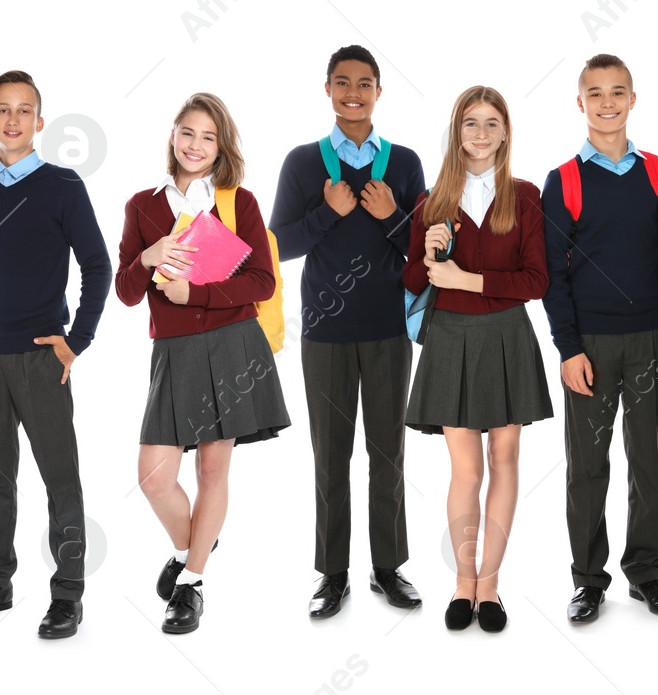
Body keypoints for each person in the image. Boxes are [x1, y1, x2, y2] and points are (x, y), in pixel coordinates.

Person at [0, 70, 111, 639]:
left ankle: (67, 594)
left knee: (60, 477)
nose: (12, 120)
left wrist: (76, 341)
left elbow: (97, 266)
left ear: (40, 123)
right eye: (2, 110)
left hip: (41, 357)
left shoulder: (62, 186)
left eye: (24, 111)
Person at [116, 92, 290, 634]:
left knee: (213, 468)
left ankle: (191, 584)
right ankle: (191, 545)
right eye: (187, 133)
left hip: (234, 343)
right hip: (174, 352)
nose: (196, 145)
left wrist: (199, 295)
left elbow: (262, 281)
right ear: (173, 136)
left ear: (222, 146)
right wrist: (148, 258)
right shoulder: (142, 205)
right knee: (152, 477)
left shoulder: (239, 202)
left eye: (208, 137)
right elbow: (125, 291)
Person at [270, 45, 427, 618]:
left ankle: (388, 569)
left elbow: (428, 251)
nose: (353, 92)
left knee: (388, 453)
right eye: (342, 82)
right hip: (325, 332)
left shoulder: (405, 163)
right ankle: (332, 575)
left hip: (388, 329)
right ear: (328, 90)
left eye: (364, 83)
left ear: (379, 92)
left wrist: (393, 217)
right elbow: (277, 246)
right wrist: (328, 213)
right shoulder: (303, 163)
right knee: (329, 456)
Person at [541, 54, 658, 623]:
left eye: (617, 92)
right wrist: (568, 348)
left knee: (648, 463)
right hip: (591, 348)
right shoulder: (565, 180)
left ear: (632, 99)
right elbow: (553, 275)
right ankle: (587, 580)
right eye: (595, 93)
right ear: (581, 104)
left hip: (650, 338)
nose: (607, 102)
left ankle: (646, 575)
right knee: (587, 466)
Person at [402, 86, 552, 633]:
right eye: (471, 123)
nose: (481, 134)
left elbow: (536, 281)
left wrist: (468, 279)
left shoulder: (526, 196)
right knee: (465, 470)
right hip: (450, 337)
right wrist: (425, 253)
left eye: (492, 123)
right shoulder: (431, 201)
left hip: (507, 336)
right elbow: (414, 282)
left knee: (505, 460)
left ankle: (490, 585)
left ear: (506, 131)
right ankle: (462, 582)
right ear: (456, 131)